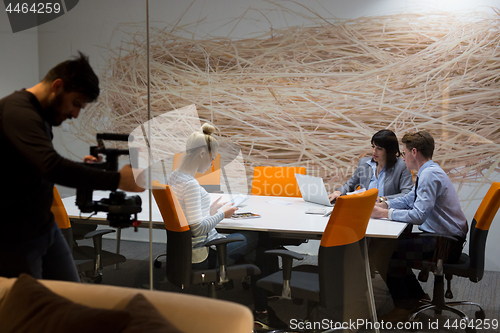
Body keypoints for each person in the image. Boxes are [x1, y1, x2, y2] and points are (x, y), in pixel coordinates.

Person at [0, 52, 144, 282]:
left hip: (44, 228)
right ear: (57, 86)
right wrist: (118, 180)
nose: (75, 114)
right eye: (76, 103)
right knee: (29, 308)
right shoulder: (18, 113)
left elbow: (35, 168)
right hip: (14, 237)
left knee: (70, 295)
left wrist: (89, 170)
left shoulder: (37, 115)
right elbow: (50, 166)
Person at [168, 123, 287, 330]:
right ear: (202, 153)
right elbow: (196, 229)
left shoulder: (174, 178)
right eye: (213, 156)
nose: (214, 161)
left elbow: (187, 219)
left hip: (184, 252)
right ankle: (266, 302)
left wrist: (211, 210)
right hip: (204, 255)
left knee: (259, 252)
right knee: (261, 239)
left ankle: (264, 305)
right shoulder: (191, 185)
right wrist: (224, 214)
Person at [370, 131, 468, 322]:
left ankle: (403, 305)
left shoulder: (429, 175)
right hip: (445, 238)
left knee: (387, 251)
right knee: (391, 246)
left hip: (445, 244)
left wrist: (384, 214)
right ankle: (417, 297)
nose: (402, 156)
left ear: (414, 152)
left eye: (404, 152)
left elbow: (418, 215)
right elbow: (410, 199)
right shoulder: (428, 171)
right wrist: (386, 204)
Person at [328, 129, 413, 203]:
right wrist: (338, 192)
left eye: (379, 148)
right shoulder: (364, 163)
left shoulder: (402, 166)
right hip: (364, 209)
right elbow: (350, 185)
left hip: (388, 211)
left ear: (390, 150)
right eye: (373, 146)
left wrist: (383, 199)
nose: (374, 151)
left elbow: (406, 194)